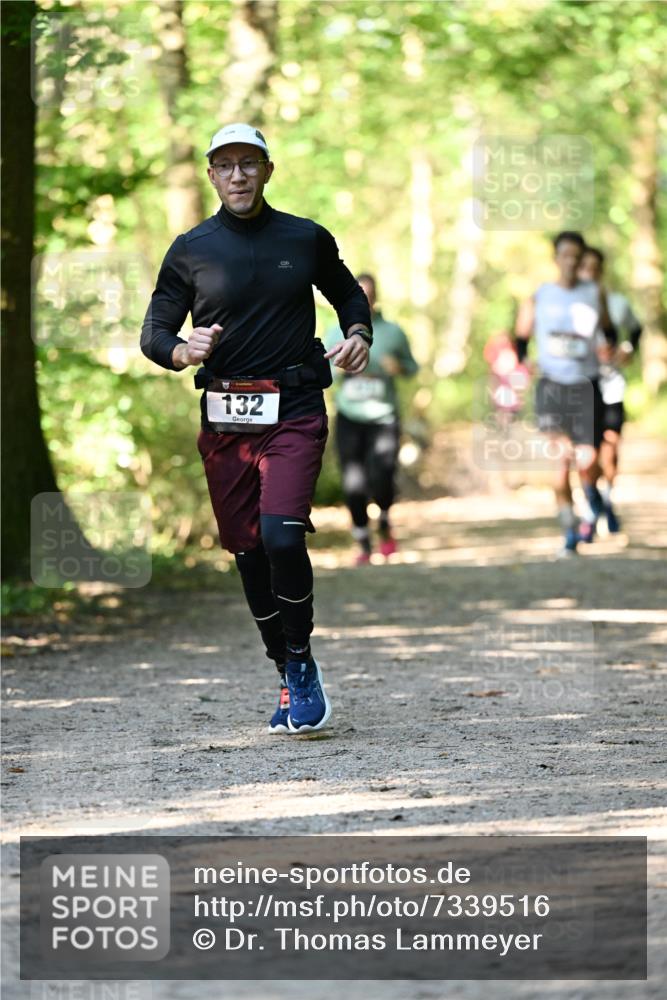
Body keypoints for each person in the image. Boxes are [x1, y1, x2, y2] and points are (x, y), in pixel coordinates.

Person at [141, 123, 372, 734]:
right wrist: (183, 351)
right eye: (226, 165)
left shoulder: (305, 236)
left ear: (268, 170)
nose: (238, 174)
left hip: (294, 407)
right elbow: (154, 333)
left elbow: (349, 296)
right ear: (212, 176)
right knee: (247, 552)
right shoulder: (190, 249)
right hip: (225, 420)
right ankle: (284, 665)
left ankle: (301, 663)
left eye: (250, 163)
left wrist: (358, 335)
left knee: (282, 537)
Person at [515, 231, 616, 556]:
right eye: (565, 256)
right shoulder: (540, 294)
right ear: (556, 258)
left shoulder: (593, 292)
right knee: (559, 460)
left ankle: (592, 492)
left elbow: (610, 330)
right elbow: (521, 334)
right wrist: (523, 362)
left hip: (586, 383)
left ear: (581, 258)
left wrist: (612, 350)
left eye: (576, 256)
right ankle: (569, 529)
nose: (570, 262)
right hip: (551, 384)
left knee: (587, 458)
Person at [324, 274, 418, 564]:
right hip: (350, 416)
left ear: (376, 296)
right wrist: (339, 370)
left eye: (370, 294)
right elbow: (322, 374)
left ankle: (386, 521)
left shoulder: (393, 332)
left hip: (384, 417)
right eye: (359, 294)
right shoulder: (333, 332)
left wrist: (398, 367)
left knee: (382, 478)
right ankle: (363, 541)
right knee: (352, 483)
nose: (365, 299)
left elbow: (412, 368)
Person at [578, 246, 643, 533]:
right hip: (580, 386)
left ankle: (607, 498)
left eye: (595, 268)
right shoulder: (570, 306)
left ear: (602, 270)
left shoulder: (617, 303)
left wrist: (627, 349)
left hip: (612, 385)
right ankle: (592, 504)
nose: (590, 273)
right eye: (585, 267)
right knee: (587, 451)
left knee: (611, 444)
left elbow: (635, 331)